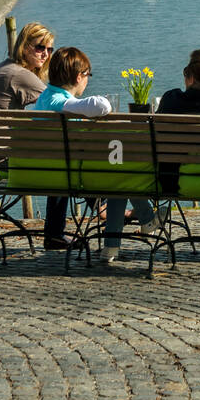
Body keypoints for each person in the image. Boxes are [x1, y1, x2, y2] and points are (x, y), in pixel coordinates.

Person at [35, 47, 157, 265]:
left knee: (115, 168)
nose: (87, 81)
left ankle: (117, 241)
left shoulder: (45, 98)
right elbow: (101, 105)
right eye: (87, 76)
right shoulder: (59, 103)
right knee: (118, 170)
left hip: (45, 172)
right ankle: (144, 220)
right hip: (67, 177)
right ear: (78, 76)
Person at [0, 22, 70, 252]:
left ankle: (60, 231)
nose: (46, 54)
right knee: (66, 165)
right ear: (25, 48)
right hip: (2, 165)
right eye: (40, 47)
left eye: (50, 49)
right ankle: (56, 233)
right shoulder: (19, 75)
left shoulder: (4, 68)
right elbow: (60, 105)